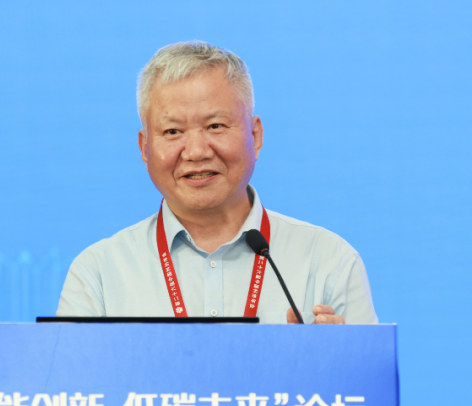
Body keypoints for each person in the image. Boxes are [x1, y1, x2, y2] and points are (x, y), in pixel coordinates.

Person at [56, 41, 378, 325]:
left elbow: (370, 378)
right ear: (144, 148)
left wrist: (336, 358)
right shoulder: (98, 274)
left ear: (255, 136)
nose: (196, 152)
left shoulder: (329, 261)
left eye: (215, 126)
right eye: (172, 131)